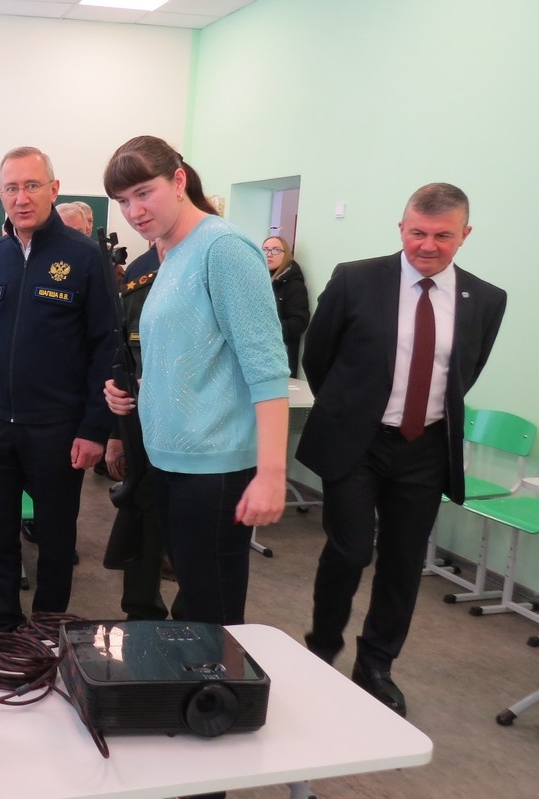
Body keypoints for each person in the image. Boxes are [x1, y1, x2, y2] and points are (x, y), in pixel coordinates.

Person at [297, 183, 506, 716]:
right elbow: (319, 357)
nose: (427, 245)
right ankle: (321, 649)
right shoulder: (356, 280)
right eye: (418, 233)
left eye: (442, 236)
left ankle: (376, 665)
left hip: (427, 447)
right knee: (349, 551)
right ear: (401, 228)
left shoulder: (485, 299)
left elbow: (466, 370)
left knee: (403, 562)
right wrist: (353, 411)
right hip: (359, 442)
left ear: (465, 234)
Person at [102, 136, 289, 628]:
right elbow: (188, 354)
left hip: (214, 467)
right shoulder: (169, 252)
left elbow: (267, 368)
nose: (134, 211)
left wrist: (271, 474)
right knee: (191, 609)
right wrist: (138, 392)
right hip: (166, 460)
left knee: (212, 615)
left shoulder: (223, 249)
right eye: (123, 201)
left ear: (179, 180)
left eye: (144, 193)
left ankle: (222, 679)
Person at [0, 146, 115, 634]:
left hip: (58, 428)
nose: (21, 198)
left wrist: (95, 427)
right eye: (11, 188)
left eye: (31, 186)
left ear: (53, 189)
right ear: (0, 195)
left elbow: (105, 347)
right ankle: (3, 626)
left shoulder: (86, 257)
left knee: (56, 537)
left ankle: (48, 629)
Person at [101, 240, 168, 621]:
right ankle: (141, 618)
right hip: (143, 426)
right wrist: (116, 434)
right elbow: (124, 359)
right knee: (143, 526)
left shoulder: (221, 258)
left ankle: (195, 629)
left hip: (206, 435)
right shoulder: (140, 269)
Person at [263, 235, 310, 377]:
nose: (269, 254)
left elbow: (299, 322)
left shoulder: (294, 285)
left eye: (276, 250)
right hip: (258, 352)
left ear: (286, 254)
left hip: (281, 356)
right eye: (265, 250)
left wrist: (267, 331)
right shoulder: (259, 279)